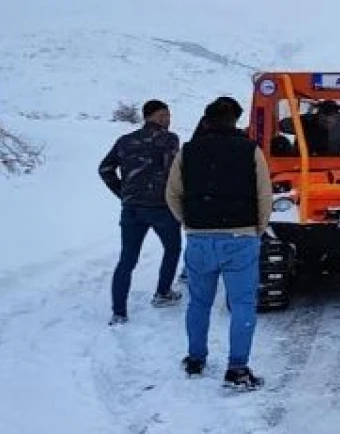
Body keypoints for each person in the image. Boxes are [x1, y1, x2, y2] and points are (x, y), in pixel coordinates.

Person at [165, 97, 272, 390]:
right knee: (242, 305)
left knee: (199, 302)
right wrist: (257, 229)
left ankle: (196, 359)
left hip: (199, 238)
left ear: (207, 120)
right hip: (240, 237)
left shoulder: (188, 151)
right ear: (235, 121)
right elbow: (264, 194)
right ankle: (237, 369)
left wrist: (190, 223)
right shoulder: (251, 150)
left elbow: (172, 194)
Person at [98, 99, 183, 325]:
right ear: (153, 116)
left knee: (127, 259)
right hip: (162, 208)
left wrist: (123, 193)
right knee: (172, 249)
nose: (169, 119)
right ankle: (163, 293)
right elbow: (177, 172)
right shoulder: (170, 140)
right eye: (165, 115)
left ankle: (119, 312)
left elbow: (105, 169)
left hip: (132, 209)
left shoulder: (125, 141)